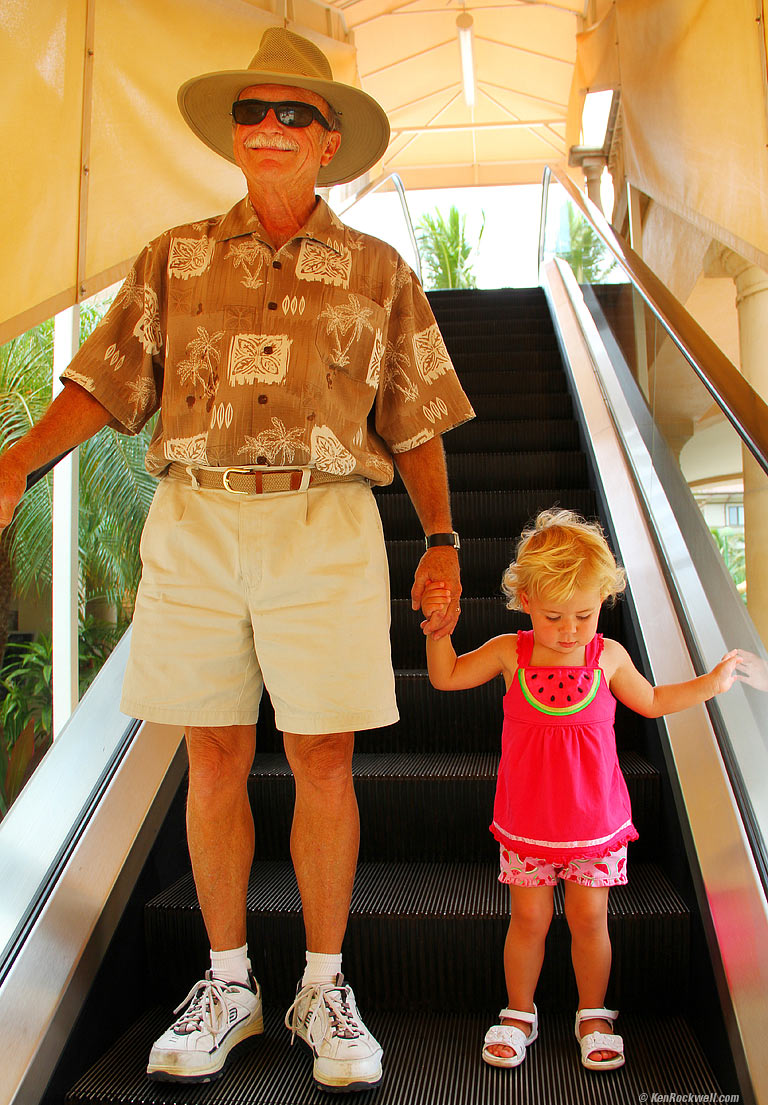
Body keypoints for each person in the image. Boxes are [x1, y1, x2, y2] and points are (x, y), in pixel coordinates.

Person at [0, 28, 473, 1093]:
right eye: (253, 112)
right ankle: (228, 983)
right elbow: (106, 377)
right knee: (212, 755)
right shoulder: (174, 256)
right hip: (197, 524)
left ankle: (321, 984)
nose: (268, 128)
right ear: (235, 135)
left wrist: (442, 542)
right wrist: (20, 461)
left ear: (329, 140)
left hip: (327, 526)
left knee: (323, 759)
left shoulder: (380, 271)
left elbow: (420, 418)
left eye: (292, 114)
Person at [420, 508, 742, 1073]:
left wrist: (711, 684)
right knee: (528, 922)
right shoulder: (508, 652)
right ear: (524, 602)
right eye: (553, 616)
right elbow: (445, 677)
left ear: (602, 605)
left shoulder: (608, 657)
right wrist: (439, 635)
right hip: (527, 827)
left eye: (584, 615)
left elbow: (655, 702)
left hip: (595, 826)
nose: (570, 630)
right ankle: (520, 1012)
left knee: (591, 922)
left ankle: (593, 1013)